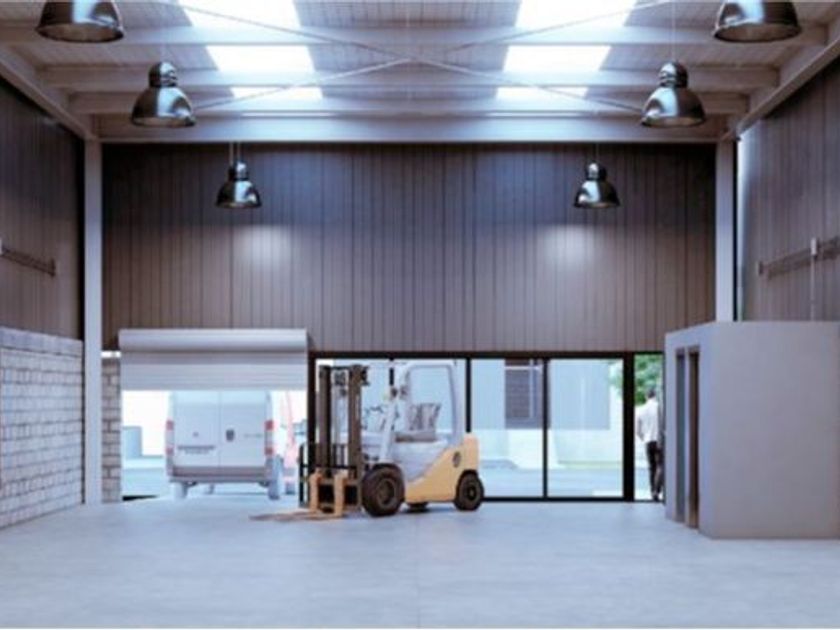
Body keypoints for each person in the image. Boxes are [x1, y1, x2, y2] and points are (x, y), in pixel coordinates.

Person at [636, 388, 663, 501]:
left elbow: (637, 431)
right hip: (659, 441)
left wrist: (644, 438)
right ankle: (656, 491)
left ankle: (652, 491)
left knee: (651, 468)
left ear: (646, 396)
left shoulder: (640, 409)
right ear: (655, 395)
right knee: (660, 466)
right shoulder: (659, 407)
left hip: (648, 442)